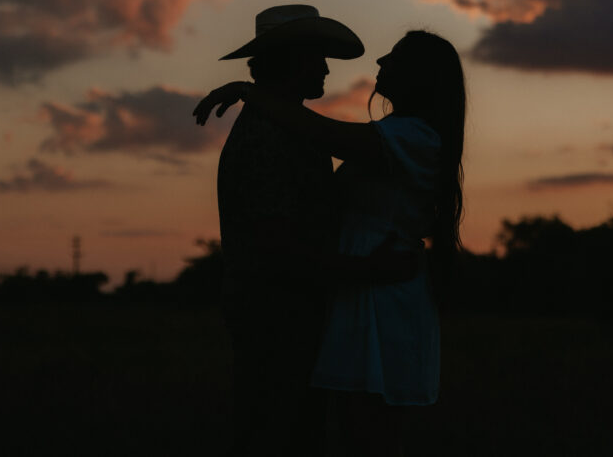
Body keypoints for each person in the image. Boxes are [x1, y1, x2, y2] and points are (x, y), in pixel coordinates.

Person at [195, 29, 466, 457]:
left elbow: (321, 132)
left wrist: (251, 91)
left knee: (366, 434)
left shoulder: (412, 137)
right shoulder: (392, 134)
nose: (379, 63)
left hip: (378, 294)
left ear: (416, 76)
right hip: (361, 289)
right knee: (347, 431)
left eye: (393, 58)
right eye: (318, 57)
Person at [211, 4, 364, 457]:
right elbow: (276, 244)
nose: (325, 68)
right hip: (278, 320)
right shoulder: (272, 134)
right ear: (288, 60)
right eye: (316, 56)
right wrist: (366, 270)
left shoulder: (286, 127)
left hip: (284, 317)